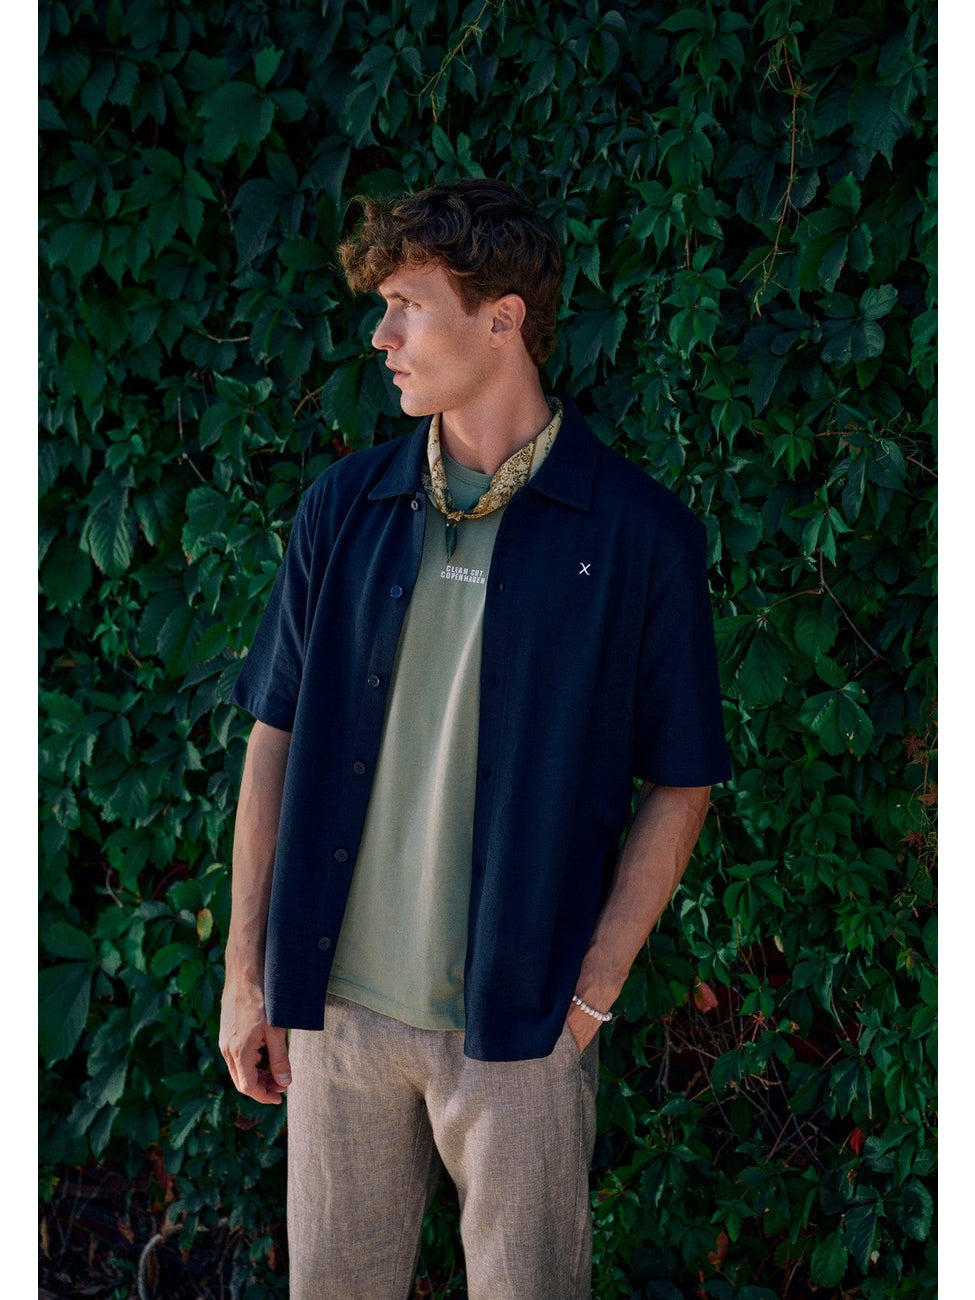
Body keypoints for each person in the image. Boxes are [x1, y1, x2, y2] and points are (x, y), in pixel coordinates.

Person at [219, 177, 730, 1300]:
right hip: (338, 1013)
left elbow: (682, 779)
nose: (382, 337)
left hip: (521, 1024)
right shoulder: (343, 507)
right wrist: (245, 972)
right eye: (383, 308)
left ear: (503, 319)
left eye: (408, 306)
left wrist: (589, 996)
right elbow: (276, 733)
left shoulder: (638, 535)